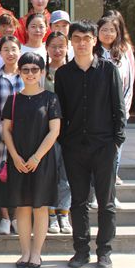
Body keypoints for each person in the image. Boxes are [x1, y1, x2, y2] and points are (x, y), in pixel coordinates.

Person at [55, 20, 126, 268]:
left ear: (94, 41)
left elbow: (118, 108)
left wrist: (117, 141)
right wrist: (64, 140)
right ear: (70, 42)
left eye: (86, 38)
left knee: (106, 203)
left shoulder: (108, 70)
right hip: (74, 147)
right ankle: (81, 251)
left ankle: (104, 252)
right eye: (77, 38)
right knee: (78, 202)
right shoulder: (63, 74)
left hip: (104, 146)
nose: (82, 43)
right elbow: (60, 112)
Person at [2, 52, 61, 268]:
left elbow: (54, 131)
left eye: (35, 69)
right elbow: (5, 130)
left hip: (42, 160)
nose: (30, 73)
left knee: (40, 206)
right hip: (18, 160)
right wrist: (15, 156)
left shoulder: (50, 98)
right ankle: (25, 252)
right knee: (23, 207)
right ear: (19, 72)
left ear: (42, 72)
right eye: (25, 69)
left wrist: (36, 157)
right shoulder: (13, 99)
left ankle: (37, 254)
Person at [0, 35, 23, 236]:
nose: (10, 53)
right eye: (6, 49)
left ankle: (16, 216)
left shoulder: (27, 75)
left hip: (22, 138)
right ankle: (5, 217)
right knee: (0, 175)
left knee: (19, 177)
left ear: (20, 51)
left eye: (13, 49)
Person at [96, 11, 135, 188]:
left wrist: (123, 109)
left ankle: (113, 175)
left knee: (116, 144)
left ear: (117, 32)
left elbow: (129, 82)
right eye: (104, 30)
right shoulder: (93, 53)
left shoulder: (124, 53)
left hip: (118, 108)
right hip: (96, 110)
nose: (108, 34)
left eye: (112, 30)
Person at [43, 32, 73, 235]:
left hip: (70, 130)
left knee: (67, 175)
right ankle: (51, 213)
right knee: (51, 174)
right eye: (53, 46)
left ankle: (64, 212)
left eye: (61, 46)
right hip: (47, 131)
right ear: (47, 48)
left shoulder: (73, 71)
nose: (57, 50)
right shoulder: (41, 73)